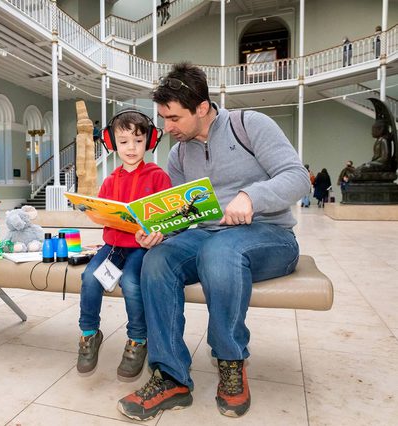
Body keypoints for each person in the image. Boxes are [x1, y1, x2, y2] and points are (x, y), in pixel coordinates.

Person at [117, 62, 309, 421]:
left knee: (222, 251)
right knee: (157, 259)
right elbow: (180, 215)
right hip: (208, 235)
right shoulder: (179, 153)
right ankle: (171, 376)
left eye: (173, 118)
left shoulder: (249, 126)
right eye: (163, 117)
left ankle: (231, 361)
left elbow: (298, 178)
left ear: (201, 108)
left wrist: (252, 197)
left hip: (271, 236)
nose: (166, 128)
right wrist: (158, 231)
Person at [77, 110, 172, 380]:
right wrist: (93, 210)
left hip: (141, 248)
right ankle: (88, 333)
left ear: (149, 141)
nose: (131, 148)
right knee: (89, 278)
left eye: (138, 141)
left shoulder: (157, 177)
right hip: (113, 246)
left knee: (131, 282)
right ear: (112, 143)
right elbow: (103, 214)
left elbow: (166, 219)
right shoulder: (109, 180)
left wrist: (157, 232)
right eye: (124, 141)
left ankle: (138, 339)